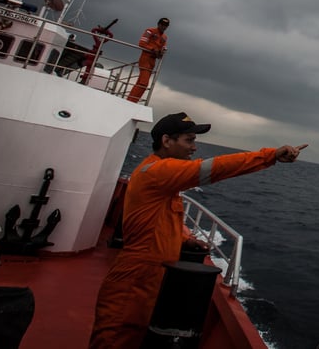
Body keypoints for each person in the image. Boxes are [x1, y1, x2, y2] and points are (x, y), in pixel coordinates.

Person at [89, 112, 307, 348]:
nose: (194, 147)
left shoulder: (161, 177)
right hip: (136, 278)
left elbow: (160, 218)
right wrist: (270, 155)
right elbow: (216, 168)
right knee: (115, 338)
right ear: (166, 141)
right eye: (189, 140)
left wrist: (184, 239)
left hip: (152, 275)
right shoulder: (157, 172)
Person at [127, 17, 169, 102]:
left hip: (152, 61)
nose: (163, 27)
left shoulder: (164, 37)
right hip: (145, 58)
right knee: (143, 83)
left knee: (140, 82)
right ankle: (132, 101)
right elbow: (141, 43)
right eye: (162, 25)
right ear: (158, 24)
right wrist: (153, 49)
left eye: (165, 25)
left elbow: (163, 49)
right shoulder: (150, 31)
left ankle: (130, 100)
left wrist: (161, 52)